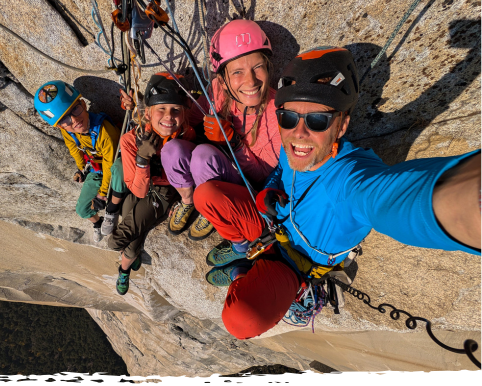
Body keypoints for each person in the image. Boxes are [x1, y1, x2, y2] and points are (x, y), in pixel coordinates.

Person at [194, 46, 481, 339]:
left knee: (243, 319)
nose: (299, 133)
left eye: (317, 120)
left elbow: (406, 201)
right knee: (205, 196)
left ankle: (240, 272)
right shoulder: (292, 145)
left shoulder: (350, 182)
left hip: (297, 268)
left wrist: (469, 202)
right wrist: (270, 186)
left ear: (342, 125)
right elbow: (282, 167)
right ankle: (242, 252)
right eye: (288, 117)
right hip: (272, 231)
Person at [119, 19, 282, 241]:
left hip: (243, 185)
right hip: (215, 168)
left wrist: (234, 142)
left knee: (203, 156)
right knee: (172, 149)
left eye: (257, 67)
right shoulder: (217, 90)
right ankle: (188, 201)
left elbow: (262, 176)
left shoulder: (276, 113)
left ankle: (210, 207)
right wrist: (139, 113)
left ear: (268, 67)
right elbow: (187, 118)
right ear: (222, 79)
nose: (251, 81)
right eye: (237, 72)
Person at [107, 72, 197, 295]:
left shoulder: (186, 135)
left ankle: (125, 267)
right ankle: (127, 265)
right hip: (142, 188)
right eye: (161, 109)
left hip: (162, 193)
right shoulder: (131, 140)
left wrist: (143, 161)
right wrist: (142, 160)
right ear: (147, 112)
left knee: (118, 241)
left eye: (176, 110)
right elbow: (138, 190)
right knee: (130, 234)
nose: (169, 117)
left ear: (184, 113)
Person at [34, 81, 125, 243]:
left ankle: (111, 213)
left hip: (115, 170)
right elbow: (74, 149)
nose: (74, 120)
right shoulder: (68, 132)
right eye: (65, 119)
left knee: (117, 171)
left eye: (75, 109)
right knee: (82, 210)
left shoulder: (105, 131)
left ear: (83, 104)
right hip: (96, 171)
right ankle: (98, 223)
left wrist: (103, 193)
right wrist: (82, 169)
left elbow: (110, 163)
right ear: (60, 127)